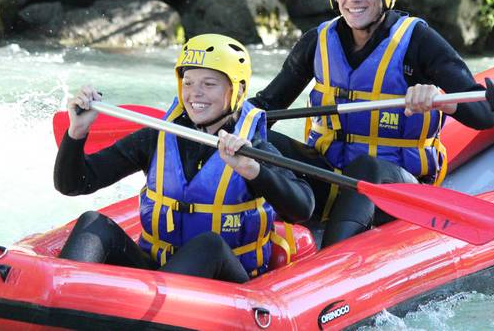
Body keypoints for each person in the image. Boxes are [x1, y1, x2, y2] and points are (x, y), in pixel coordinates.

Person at [250, 0, 494, 247]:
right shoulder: (318, 40)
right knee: (254, 139)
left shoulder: (419, 40)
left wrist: (440, 100)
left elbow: (485, 113)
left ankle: (331, 261)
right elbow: (263, 107)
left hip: (397, 189)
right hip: (331, 177)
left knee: (367, 167)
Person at [54, 34, 315, 283]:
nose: (195, 93)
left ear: (237, 89)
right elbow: (75, 183)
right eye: (188, 83)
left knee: (208, 244)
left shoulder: (253, 149)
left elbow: (302, 208)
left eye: (209, 84)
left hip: (227, 285)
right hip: (158, 271)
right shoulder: (157, 138)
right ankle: (56, 305)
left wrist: (253, 171)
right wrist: (77, 132)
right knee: (93, 223)